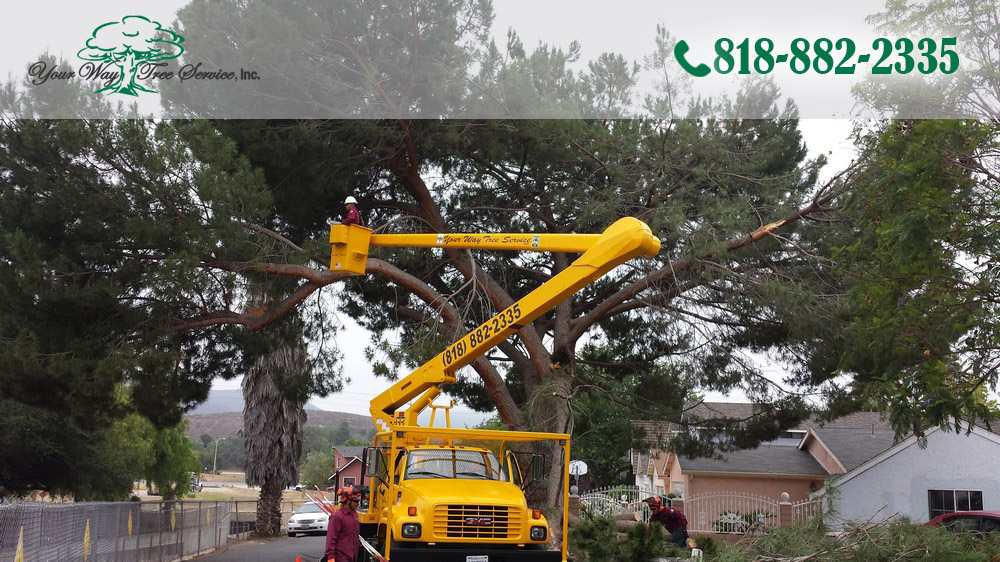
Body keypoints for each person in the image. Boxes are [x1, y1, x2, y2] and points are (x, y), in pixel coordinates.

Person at [322, 485, 363, 562]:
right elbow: (331, 539)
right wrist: (330, 557)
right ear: (347, 501)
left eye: (359, 501)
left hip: (353, 557)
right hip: (341, 557)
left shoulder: (355, 515)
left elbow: (355, 536)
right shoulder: (337, 517)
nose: (358, 503)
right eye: (356, 501)